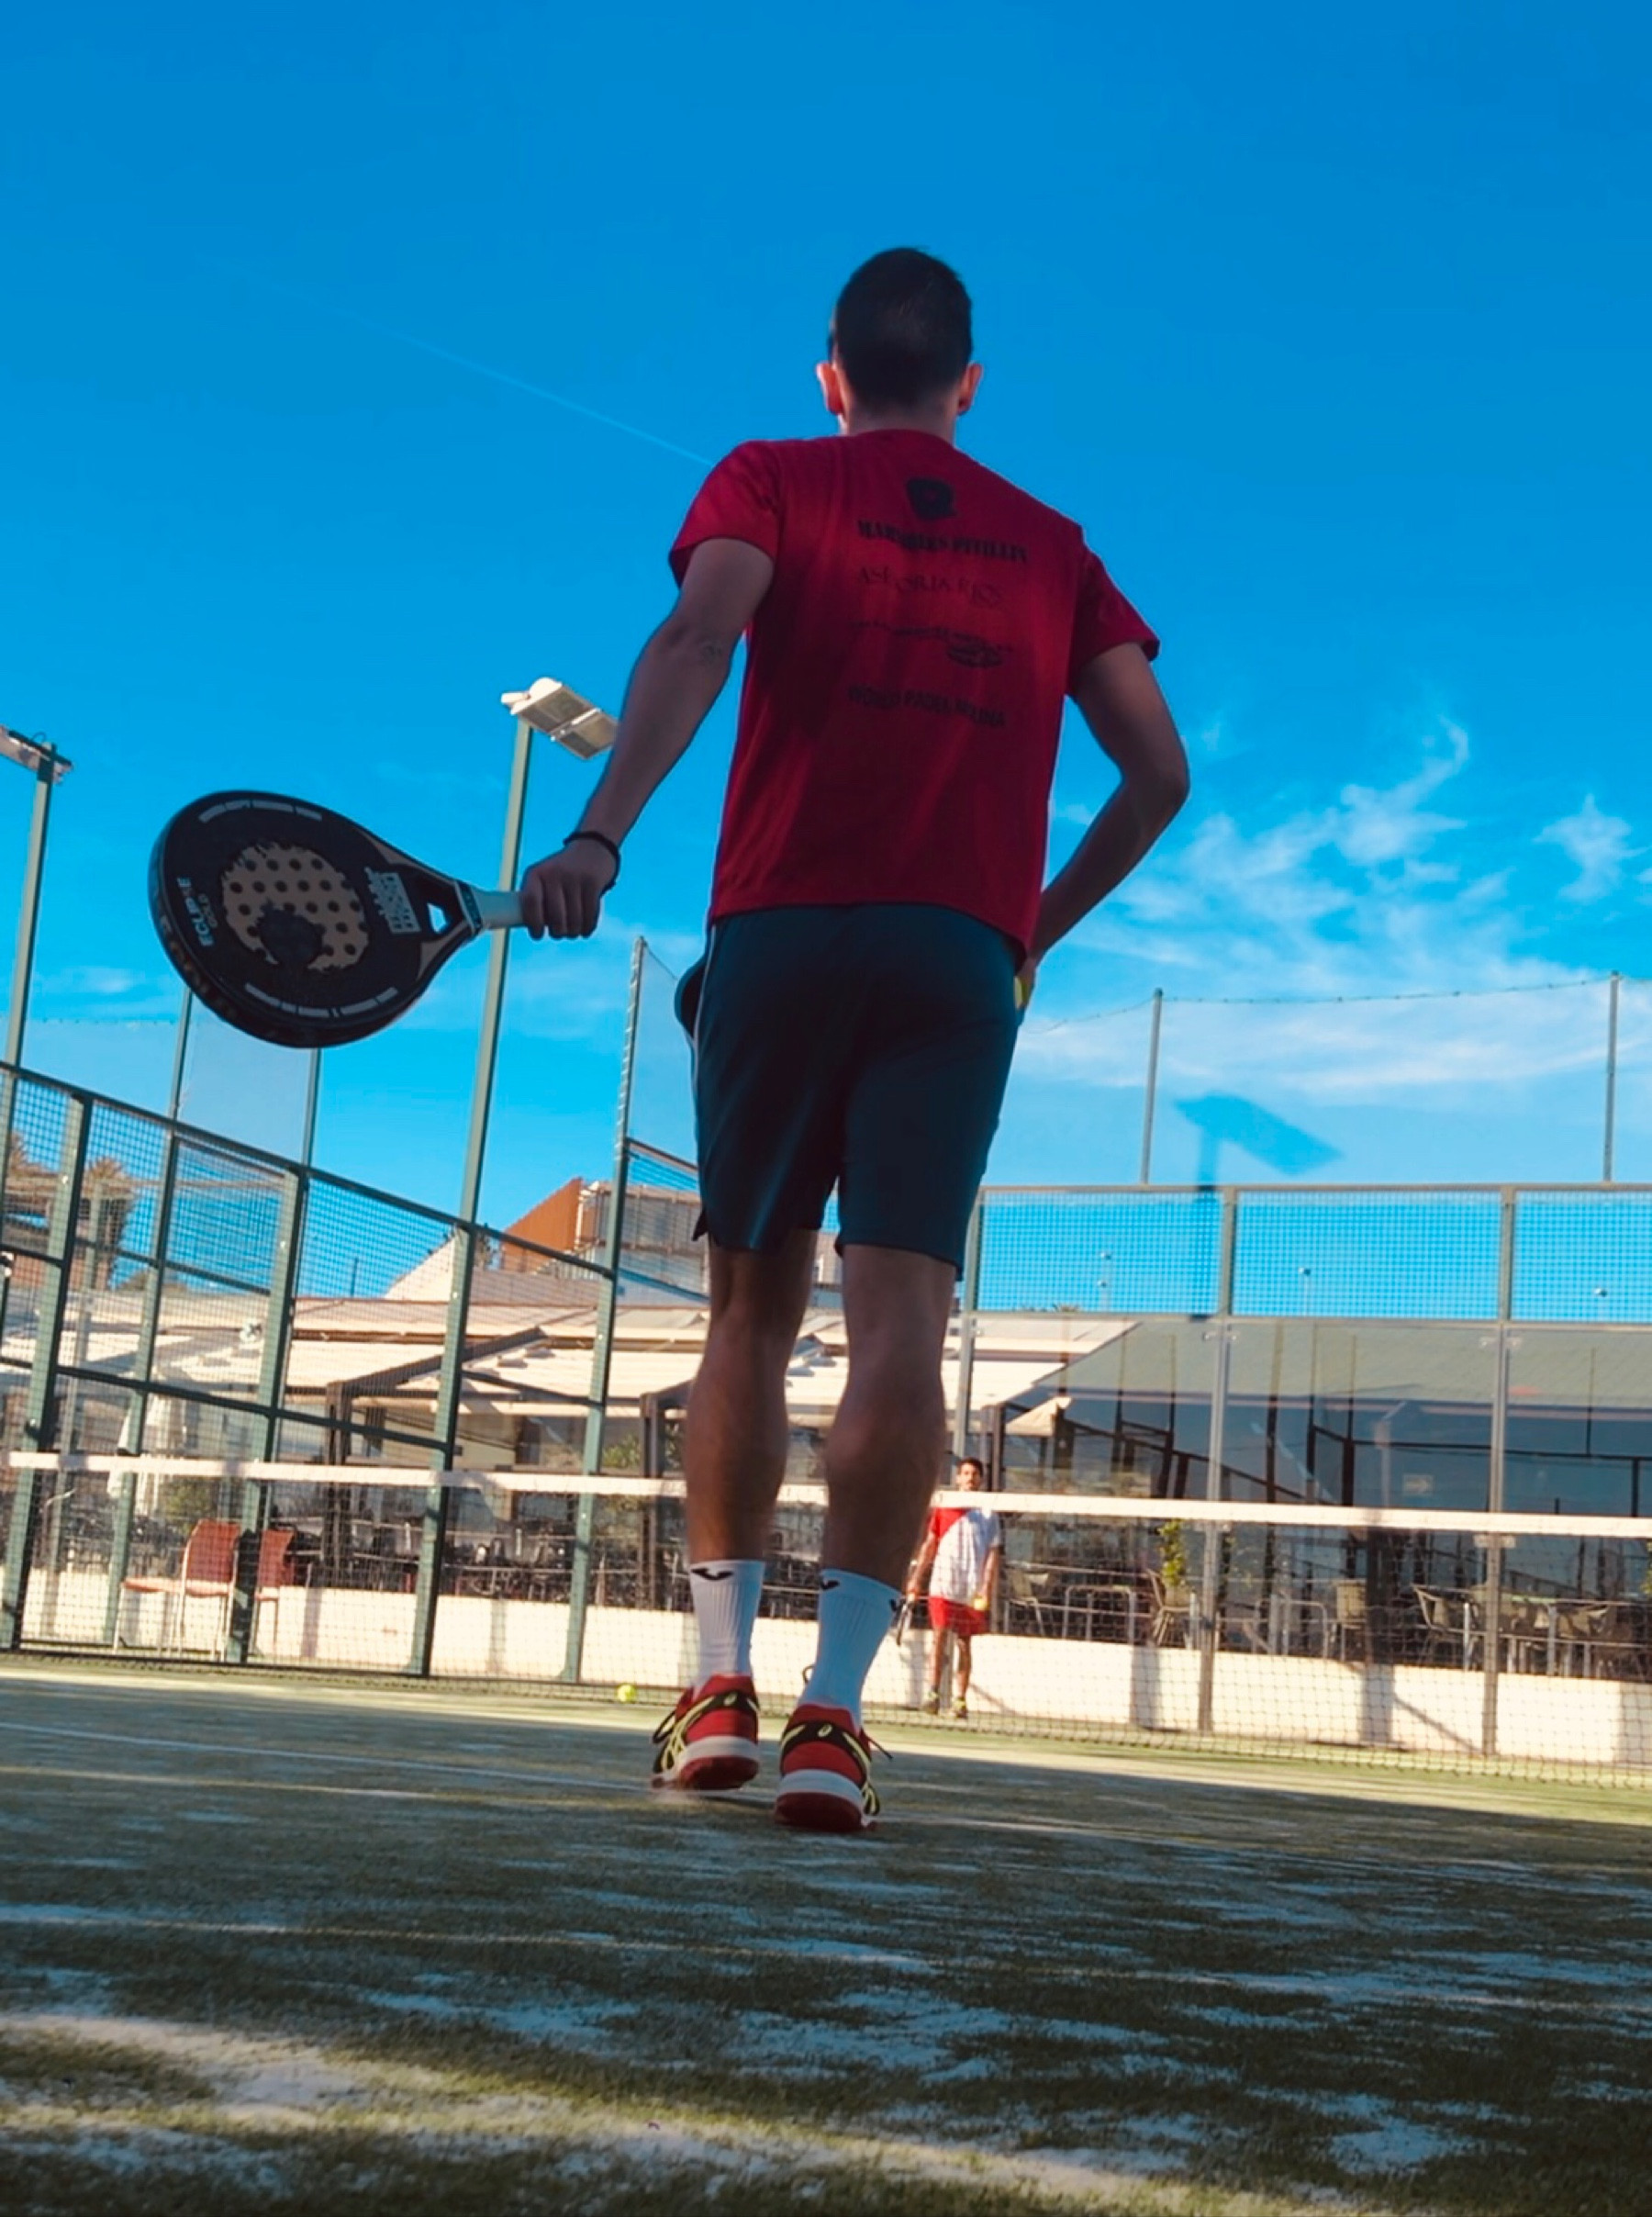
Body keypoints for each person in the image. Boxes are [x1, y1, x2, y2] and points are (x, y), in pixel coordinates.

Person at [520, 247, 1189, 1831]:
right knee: (902, 1322)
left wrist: (600, 835)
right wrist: (1027, 928)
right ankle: (833, 1720)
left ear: (831, 377)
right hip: (955, 956)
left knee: (748, 1314)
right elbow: (1158, 772)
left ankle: (718, 1690)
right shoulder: (1056, 548)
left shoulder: (771, 477)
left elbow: (696, 640)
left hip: (781, 931)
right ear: (968, 384)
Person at [907, 1457, 1001, 1719]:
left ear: (980, 1480)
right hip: (943, 1584)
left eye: (974, 1474)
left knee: (964, 1643)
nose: (970, 1478)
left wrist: (986, 1587)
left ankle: (960, 1700)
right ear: (958, 1478)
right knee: (938, 1638)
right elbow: (929, 1545)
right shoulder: (944, 1506)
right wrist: (916, 1578)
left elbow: (993, 1554)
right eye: (965, 1473)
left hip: (970, 1589)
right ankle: (933, 1693)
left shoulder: (988, 1512)